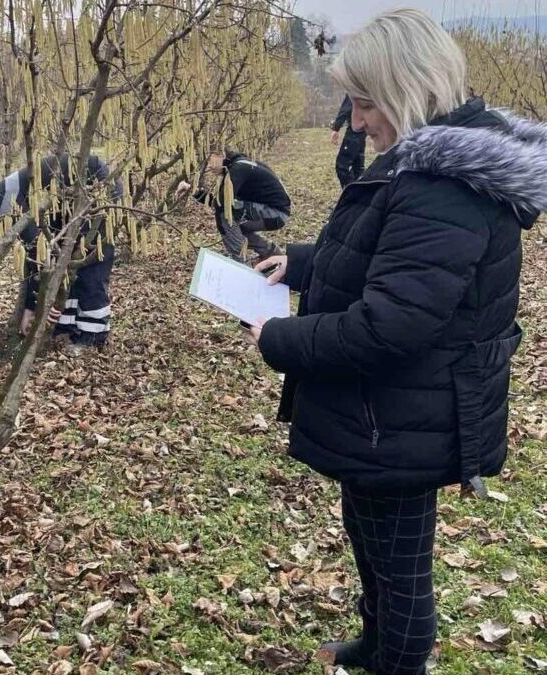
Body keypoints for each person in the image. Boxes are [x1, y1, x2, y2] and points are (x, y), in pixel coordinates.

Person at [249, 9, 543, 675]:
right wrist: (297, 264)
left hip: (406, 416)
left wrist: (280, 337)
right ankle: (375, 643)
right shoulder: (427, 163)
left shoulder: (443, 186)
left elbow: (390, 322)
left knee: (402, 569)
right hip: (389, 413)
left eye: (362, 103)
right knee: (372, 538)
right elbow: (382, 257)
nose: (357, 122)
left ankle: (396, 657)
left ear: (407, 87)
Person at [0, 154, 122, 352]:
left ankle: (94, 336)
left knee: (88, 261)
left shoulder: (3, 201)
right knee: (66, 260)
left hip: (98, 187)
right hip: (73, 200)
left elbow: (37, 250)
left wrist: (30, 308)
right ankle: (67, 327)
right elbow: (40, 250)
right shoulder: (2, 192)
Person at [176, 148, 291, 262]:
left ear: (221, 155)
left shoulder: (238, 169)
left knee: (225, 216)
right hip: (276, 213)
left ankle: (239, 261)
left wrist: (193, 190)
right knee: (234, 226)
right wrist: (191, 189)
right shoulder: (238, 165)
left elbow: (221, 205)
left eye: (210, 161)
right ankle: (270, 252)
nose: (209, 167)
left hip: (276, 213)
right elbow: (219, 201)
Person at [330, 94, 367, 188]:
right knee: (358, 167)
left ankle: (351, 194)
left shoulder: (354, 85)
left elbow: (347, 107)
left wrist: (336, 128)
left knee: (342, 166)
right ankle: (360, 195)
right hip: (363, 131)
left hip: (355, 130)